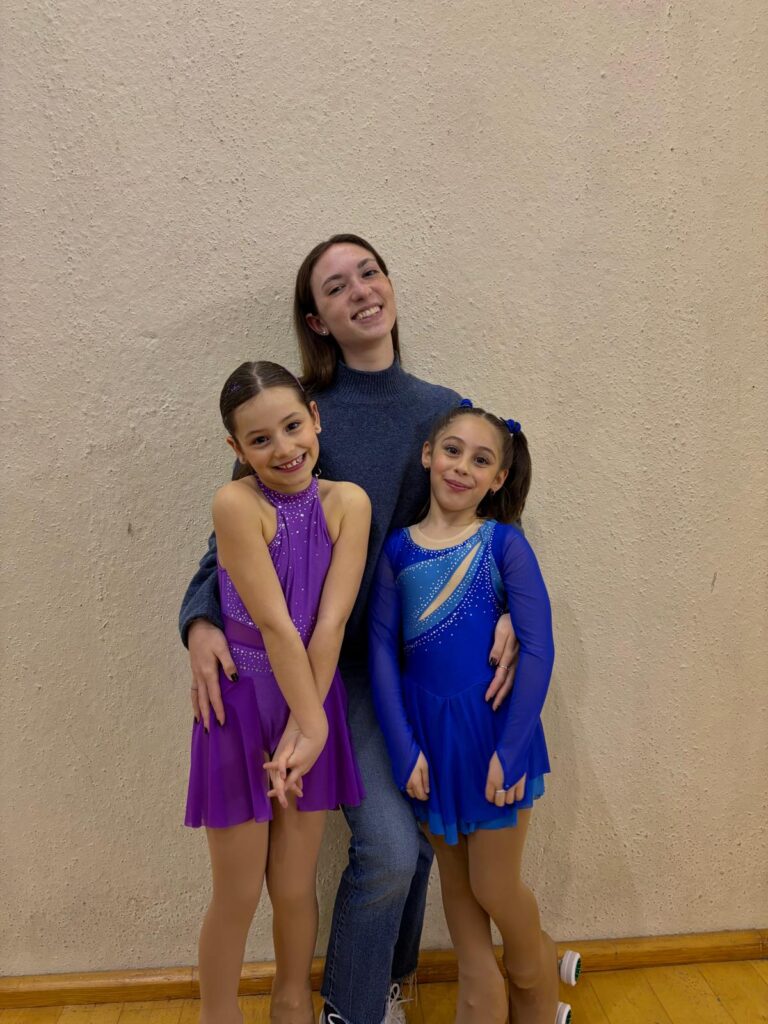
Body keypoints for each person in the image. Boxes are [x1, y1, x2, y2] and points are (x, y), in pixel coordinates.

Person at [179, 235, 519, 1024]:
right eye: (335, 287)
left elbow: (488, 519)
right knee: (391, 850)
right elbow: (229, 547)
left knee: (415, 842)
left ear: (390, 285)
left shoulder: (441, 409)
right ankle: (353, 1007)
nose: (360, 290)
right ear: (316, 320)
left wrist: (508, 607)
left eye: (369, 272)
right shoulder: (290, 412)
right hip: (310, 677)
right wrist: (198, 620)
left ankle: (373, 990)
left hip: (403, 668)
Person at [369, 402, 581, 1024]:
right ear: (428, 455)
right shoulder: (397, 551)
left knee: (493, 886)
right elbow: (380, 651)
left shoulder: (503, 544)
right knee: (459, 896)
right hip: (430, 744)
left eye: (481, 459)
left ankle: (532, 981)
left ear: (498, 478)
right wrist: (403, 747)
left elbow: (537, 649)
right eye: (453, 450)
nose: (462, 466)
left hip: (493, 738)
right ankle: (480, 999)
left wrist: (511, 750)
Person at [184, 360, 368, 1024]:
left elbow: (330, 622)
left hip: (311, 693)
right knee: (237, 893)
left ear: (315, 419)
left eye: (293, 426)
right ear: (236, 447)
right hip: (239, 705)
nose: (283, 448)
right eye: (260, 439)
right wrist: (309, 726)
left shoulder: (350, 503)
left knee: (292, 888)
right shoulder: (236, 504)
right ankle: (219, 1014)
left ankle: (292, 1003)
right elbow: (274, 625)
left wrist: (310, 721)